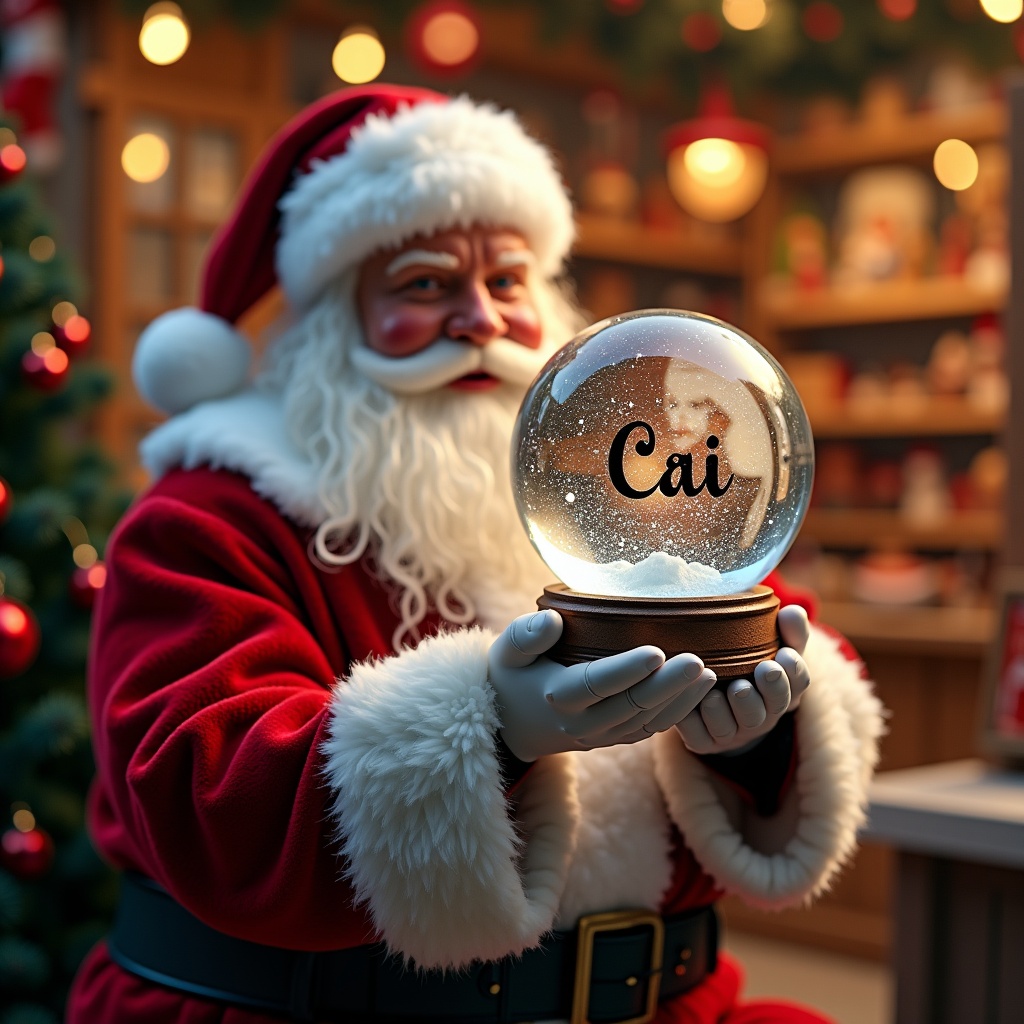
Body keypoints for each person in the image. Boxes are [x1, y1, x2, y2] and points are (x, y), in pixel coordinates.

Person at [68, 85, 885, 1024]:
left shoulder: (615, 500)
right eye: (424, 285)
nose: (480, 320)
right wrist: (490, 731)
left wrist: (754, 741)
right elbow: (208, 793)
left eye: (507, 283)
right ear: (335, 319)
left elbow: (773, 641)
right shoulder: (211, 518)